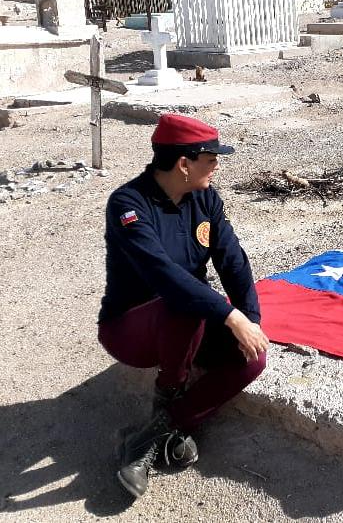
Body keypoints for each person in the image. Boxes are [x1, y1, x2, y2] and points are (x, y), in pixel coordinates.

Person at [97, 114, 270, 499]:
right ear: (183, 164)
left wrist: (249, 321)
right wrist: (229, 315)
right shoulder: (128, 204)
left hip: (186, 322)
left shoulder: (205, 197)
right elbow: (165, 278)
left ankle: (152, 434)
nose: (217, 165)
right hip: (132, 329)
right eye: (211, 158)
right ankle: (169, 391)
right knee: (185, 300)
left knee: (253, 359)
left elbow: (233, 260)